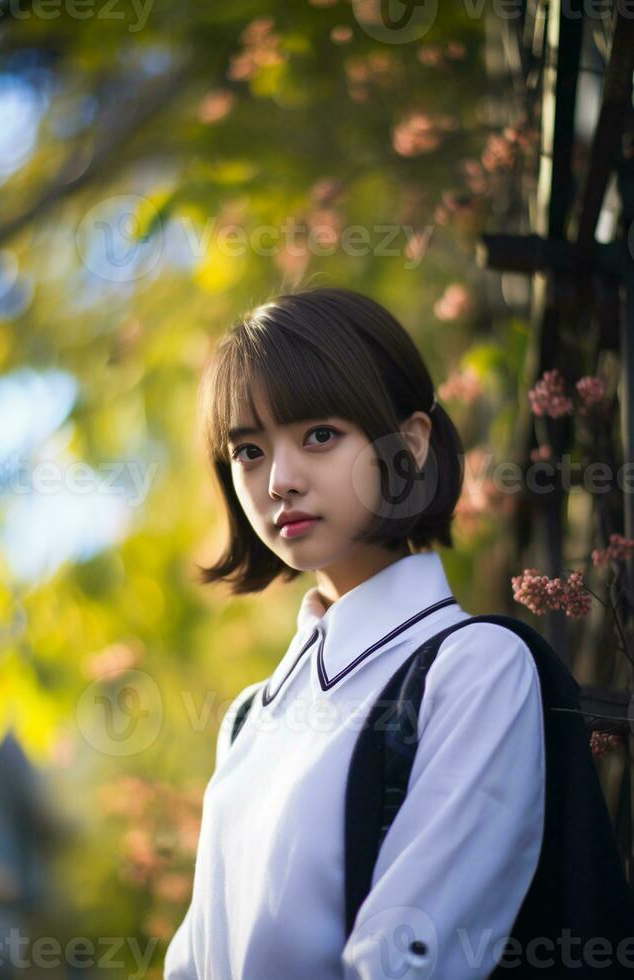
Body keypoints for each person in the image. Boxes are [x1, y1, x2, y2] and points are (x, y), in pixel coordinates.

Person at [163, 285, 546, 979]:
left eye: (318, 435)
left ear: (410, 445)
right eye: (248, 451)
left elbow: (407, 961)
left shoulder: (476, 669)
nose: (279, 480)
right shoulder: (249, 717)